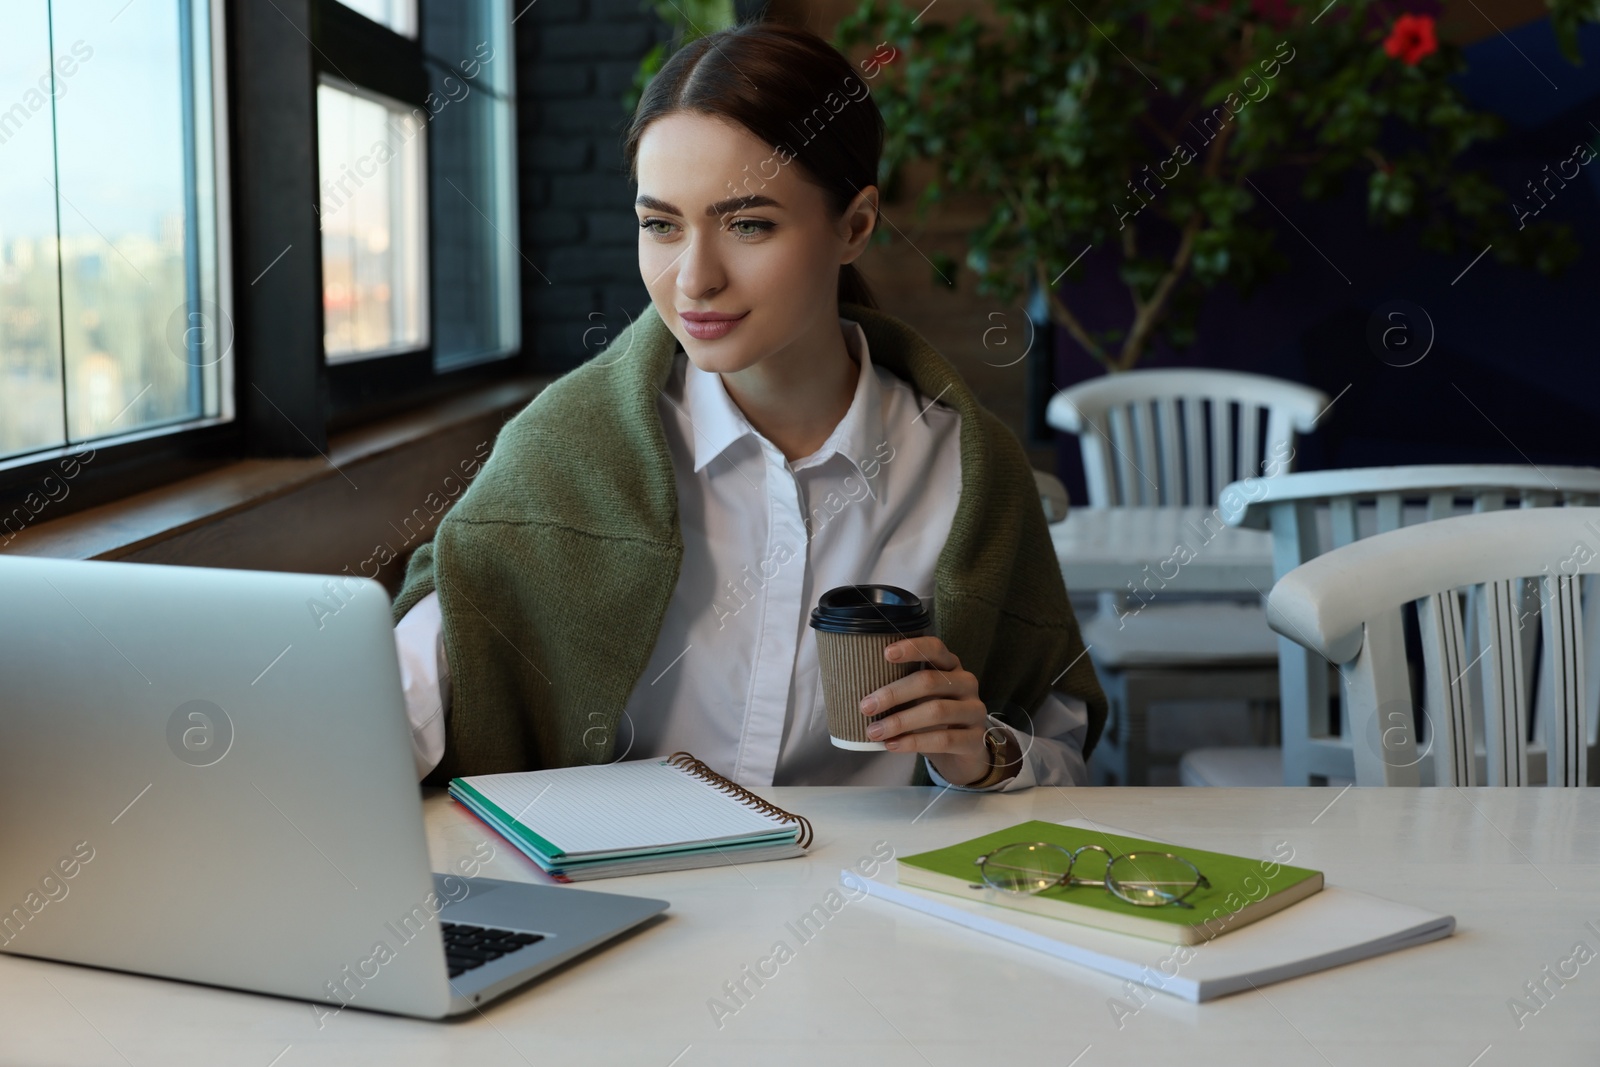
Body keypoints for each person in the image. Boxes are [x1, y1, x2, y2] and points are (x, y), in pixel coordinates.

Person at [391, 21, 1106, 791]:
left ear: (855, 224)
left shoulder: (964, 465)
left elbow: (1063, 741)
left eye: (748, 224)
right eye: (661, 225)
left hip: (873, 901)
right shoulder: (564, 447)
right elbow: (413, 690)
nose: (694, 278)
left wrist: (982, 750)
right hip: (621, 896)